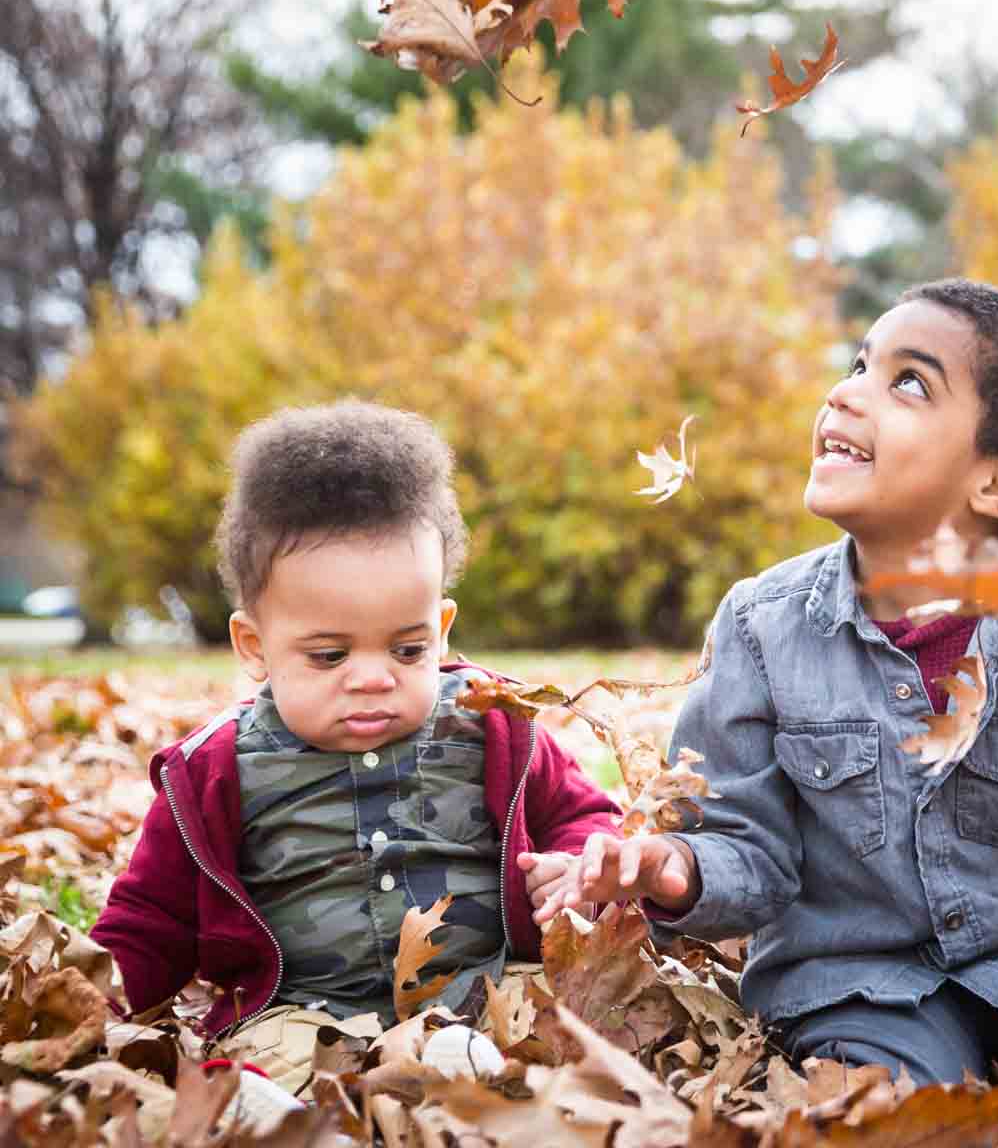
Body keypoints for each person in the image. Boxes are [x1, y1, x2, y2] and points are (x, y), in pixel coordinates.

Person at [539, 280, 998, 1093]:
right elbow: (743, 847)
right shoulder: (761, 628)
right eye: (859, 364)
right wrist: (673, 867)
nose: (844, 392)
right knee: (892, 1106)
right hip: (856, 985)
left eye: (907, 382)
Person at [91, 399, 619, 1095]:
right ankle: (281, 1118)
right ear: (255, 646)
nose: (372, 678)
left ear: (443, 627)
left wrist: (577, 862)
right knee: (251, 1074)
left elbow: (585, 816)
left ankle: (482, 1093)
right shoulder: (218, 769)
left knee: (564, 1032)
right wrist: (91, 1008)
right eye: (330, 655)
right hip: (305, 1016)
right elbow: (147, 922)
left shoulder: (492, 725)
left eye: (408, 648)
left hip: (483, 994)